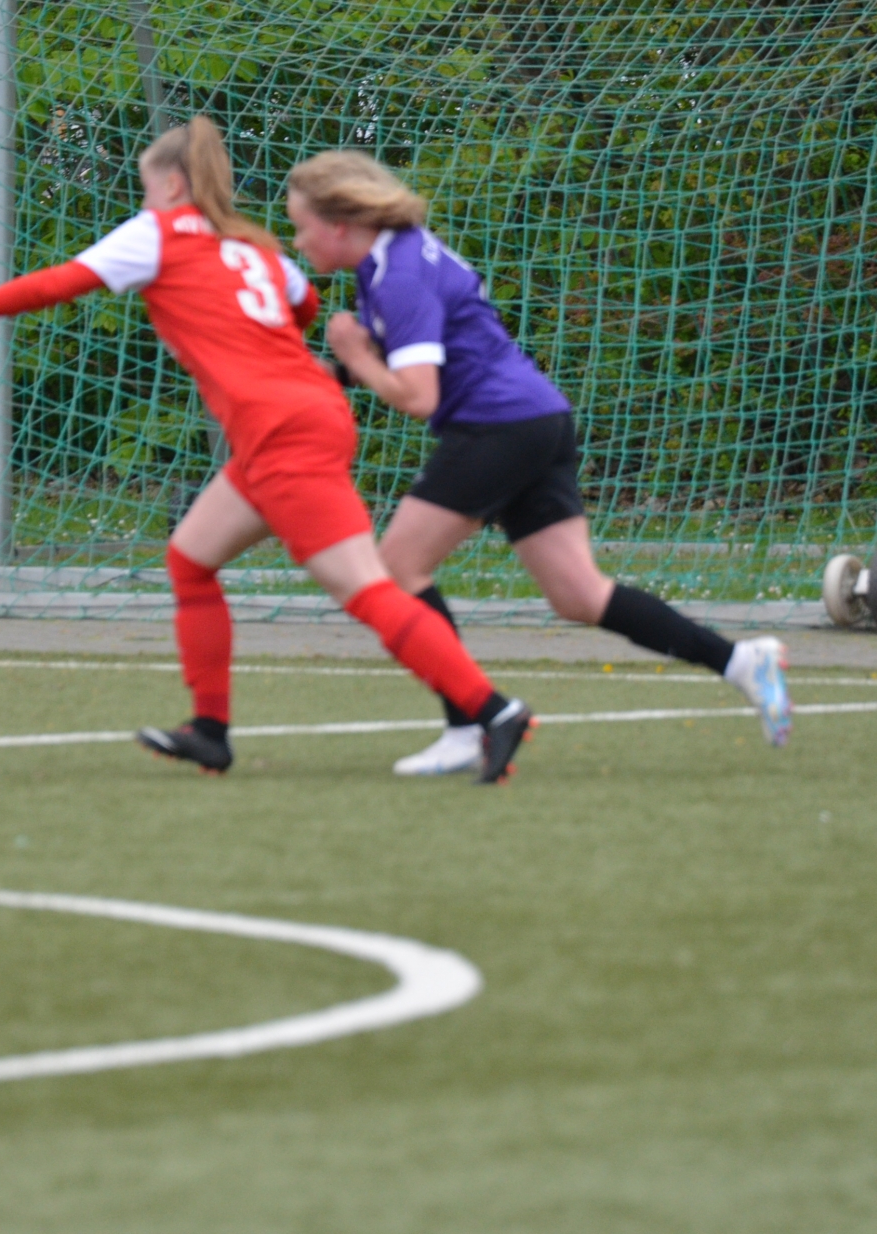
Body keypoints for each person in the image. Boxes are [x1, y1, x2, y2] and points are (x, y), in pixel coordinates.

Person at [0, 118, 535, 783]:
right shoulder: (256, 247)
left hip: (280, 430)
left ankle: (493, 710)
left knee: (367, 587)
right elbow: (301, 307)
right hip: (301, 416)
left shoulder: (156, 232)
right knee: (191, 558)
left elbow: (58, 283)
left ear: (173, 184)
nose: (144, 201)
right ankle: (210, 730)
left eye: (146, 188)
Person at [284, 150, 791, 776]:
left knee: (398, 568)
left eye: (302, 224)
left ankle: (470, 725)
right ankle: (741, 661)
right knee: (580, 595)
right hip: (538, 420)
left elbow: (418, 395)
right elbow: (375, 358)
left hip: (498, 427)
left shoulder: (399, 273)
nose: (297, 239)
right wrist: (322, 368)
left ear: (338, 222)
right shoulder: (396, 257)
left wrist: (352, 357)